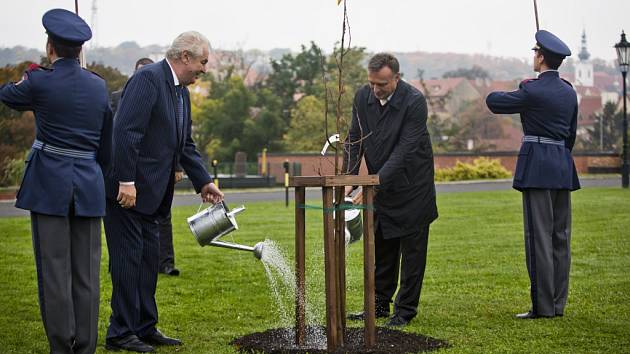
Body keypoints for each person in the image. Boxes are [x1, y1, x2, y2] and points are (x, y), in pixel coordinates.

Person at [103, 31, 223, 352]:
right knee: (128, 263)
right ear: (185, 56)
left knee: (147, 263)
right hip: (128, 194)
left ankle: (144, 327)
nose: (204, 69)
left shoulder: (180, 92)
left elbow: (184, 145)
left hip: (154, 197)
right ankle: (121, 333)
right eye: (202, 62)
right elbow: (126, 132)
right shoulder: (147, 80)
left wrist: (204, 181)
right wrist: (125, 181)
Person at [0, 8, 112, 354]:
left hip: (49, 184)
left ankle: (62, 346)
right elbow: (106, 146)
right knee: (87, 274)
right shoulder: (99, 86)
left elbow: (7, 94)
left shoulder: (39, 81)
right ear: (80, 50)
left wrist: (31, 73)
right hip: (89, 184)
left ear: (50, 47)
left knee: (54, 271)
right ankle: (86, 346)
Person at [486, 30, 580, 319]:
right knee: (560, 237)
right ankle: (557, 304)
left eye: (535, 53)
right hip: (562, 166)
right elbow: (571, 135)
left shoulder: (531, 89)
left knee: (539, 236)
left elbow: (494, 101)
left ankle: (543, 307)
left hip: (538, 167)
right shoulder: (569, 91)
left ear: (540, 57)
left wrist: (522, 90)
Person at [344, 53, 438, 327]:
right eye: (372, 83)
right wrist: (349, 177)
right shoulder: (363, 98)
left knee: (412, 255)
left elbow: (405, 150)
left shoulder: (415, 102)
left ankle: (405, 310)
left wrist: (373, 183)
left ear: (397, 78)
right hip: (382, 187)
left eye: (382, 84)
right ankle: (378, 305)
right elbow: (354, 138)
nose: (376, 89)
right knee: (383, 248)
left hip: (413, 188)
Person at [110, 57, 183, 277]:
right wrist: (126, 180)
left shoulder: (176, 94)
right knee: (128, 237)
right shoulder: (117, 97)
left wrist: (178, 167)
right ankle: (122, 266)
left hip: (157, 173)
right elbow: (121, 132)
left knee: (162, 221)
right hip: (130, 173)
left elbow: (177, 136)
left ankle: (165, 262)